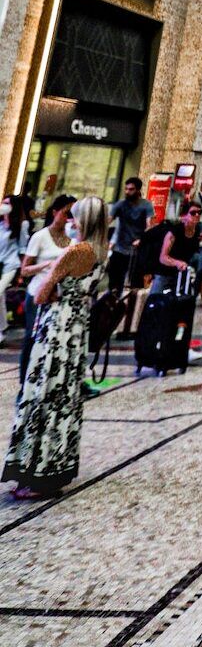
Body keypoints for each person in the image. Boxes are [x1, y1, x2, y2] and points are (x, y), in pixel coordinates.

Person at [4, 196, 110, 499]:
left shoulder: (76, 250)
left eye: (76, 218)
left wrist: (52, 281)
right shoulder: (102, 252)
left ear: (85, 221)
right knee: (64, 398)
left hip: (56, 329)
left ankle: (35, 471)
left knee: (42, 393)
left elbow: (40, 295)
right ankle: (57, 464)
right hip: (76, 330)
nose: (72, 222)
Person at [18, 194, 73, 382]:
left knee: (53, 340)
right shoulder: (40, 237)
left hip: (58, 296)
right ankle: (24, 381)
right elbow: (25, 270)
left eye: (72, 214)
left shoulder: (72, 239)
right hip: (37, 294)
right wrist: (47, 265)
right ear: (55, 212)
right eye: (65, 213)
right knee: (32, 338)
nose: (68, 218)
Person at [107, 177, 153, 294]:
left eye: (131, 189)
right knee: (114, 282)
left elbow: (149, 225)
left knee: (135, 284)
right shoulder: (120, 204)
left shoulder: (146, 205)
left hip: (136, 249)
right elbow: (108, 220)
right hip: (120, 247)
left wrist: (141, 239)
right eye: (126, 189)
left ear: (138, 190)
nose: (127, 192)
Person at [152, 200, 202, 293]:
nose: (197, 215)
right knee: (155, 301)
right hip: (164, 272)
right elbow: (163, 257)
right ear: (184, 216)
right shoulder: (174, 231)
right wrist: (177, 263)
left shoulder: (197, 230)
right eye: (193, 213)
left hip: (180, 274)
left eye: (199, 212)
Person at [0, 194, 31, 340]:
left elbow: (23, 248)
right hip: (0, 262)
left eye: (7, 203)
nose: (4, 205)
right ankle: (2, 326)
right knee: (0, 296)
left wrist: (22, 271)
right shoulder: (0, 224)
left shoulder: (21, 224)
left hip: (11, 264)